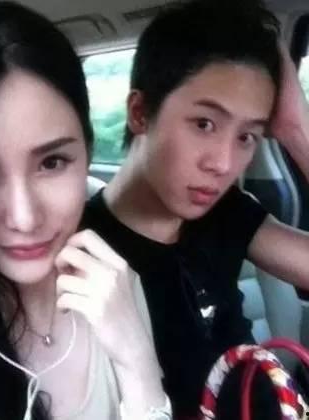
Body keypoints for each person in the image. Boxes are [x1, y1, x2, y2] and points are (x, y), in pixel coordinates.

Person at [0, 2, 172, 419]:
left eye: (52, 162)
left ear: (87, 151)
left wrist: (136, 362)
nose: (25, 218)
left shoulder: (115, 287)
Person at [82, 0, 309, 418]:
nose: (223, 164)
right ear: (139, 113)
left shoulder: (227, 213)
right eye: (204, 124)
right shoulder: (84, 250)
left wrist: (297, 131)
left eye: (247, 136)